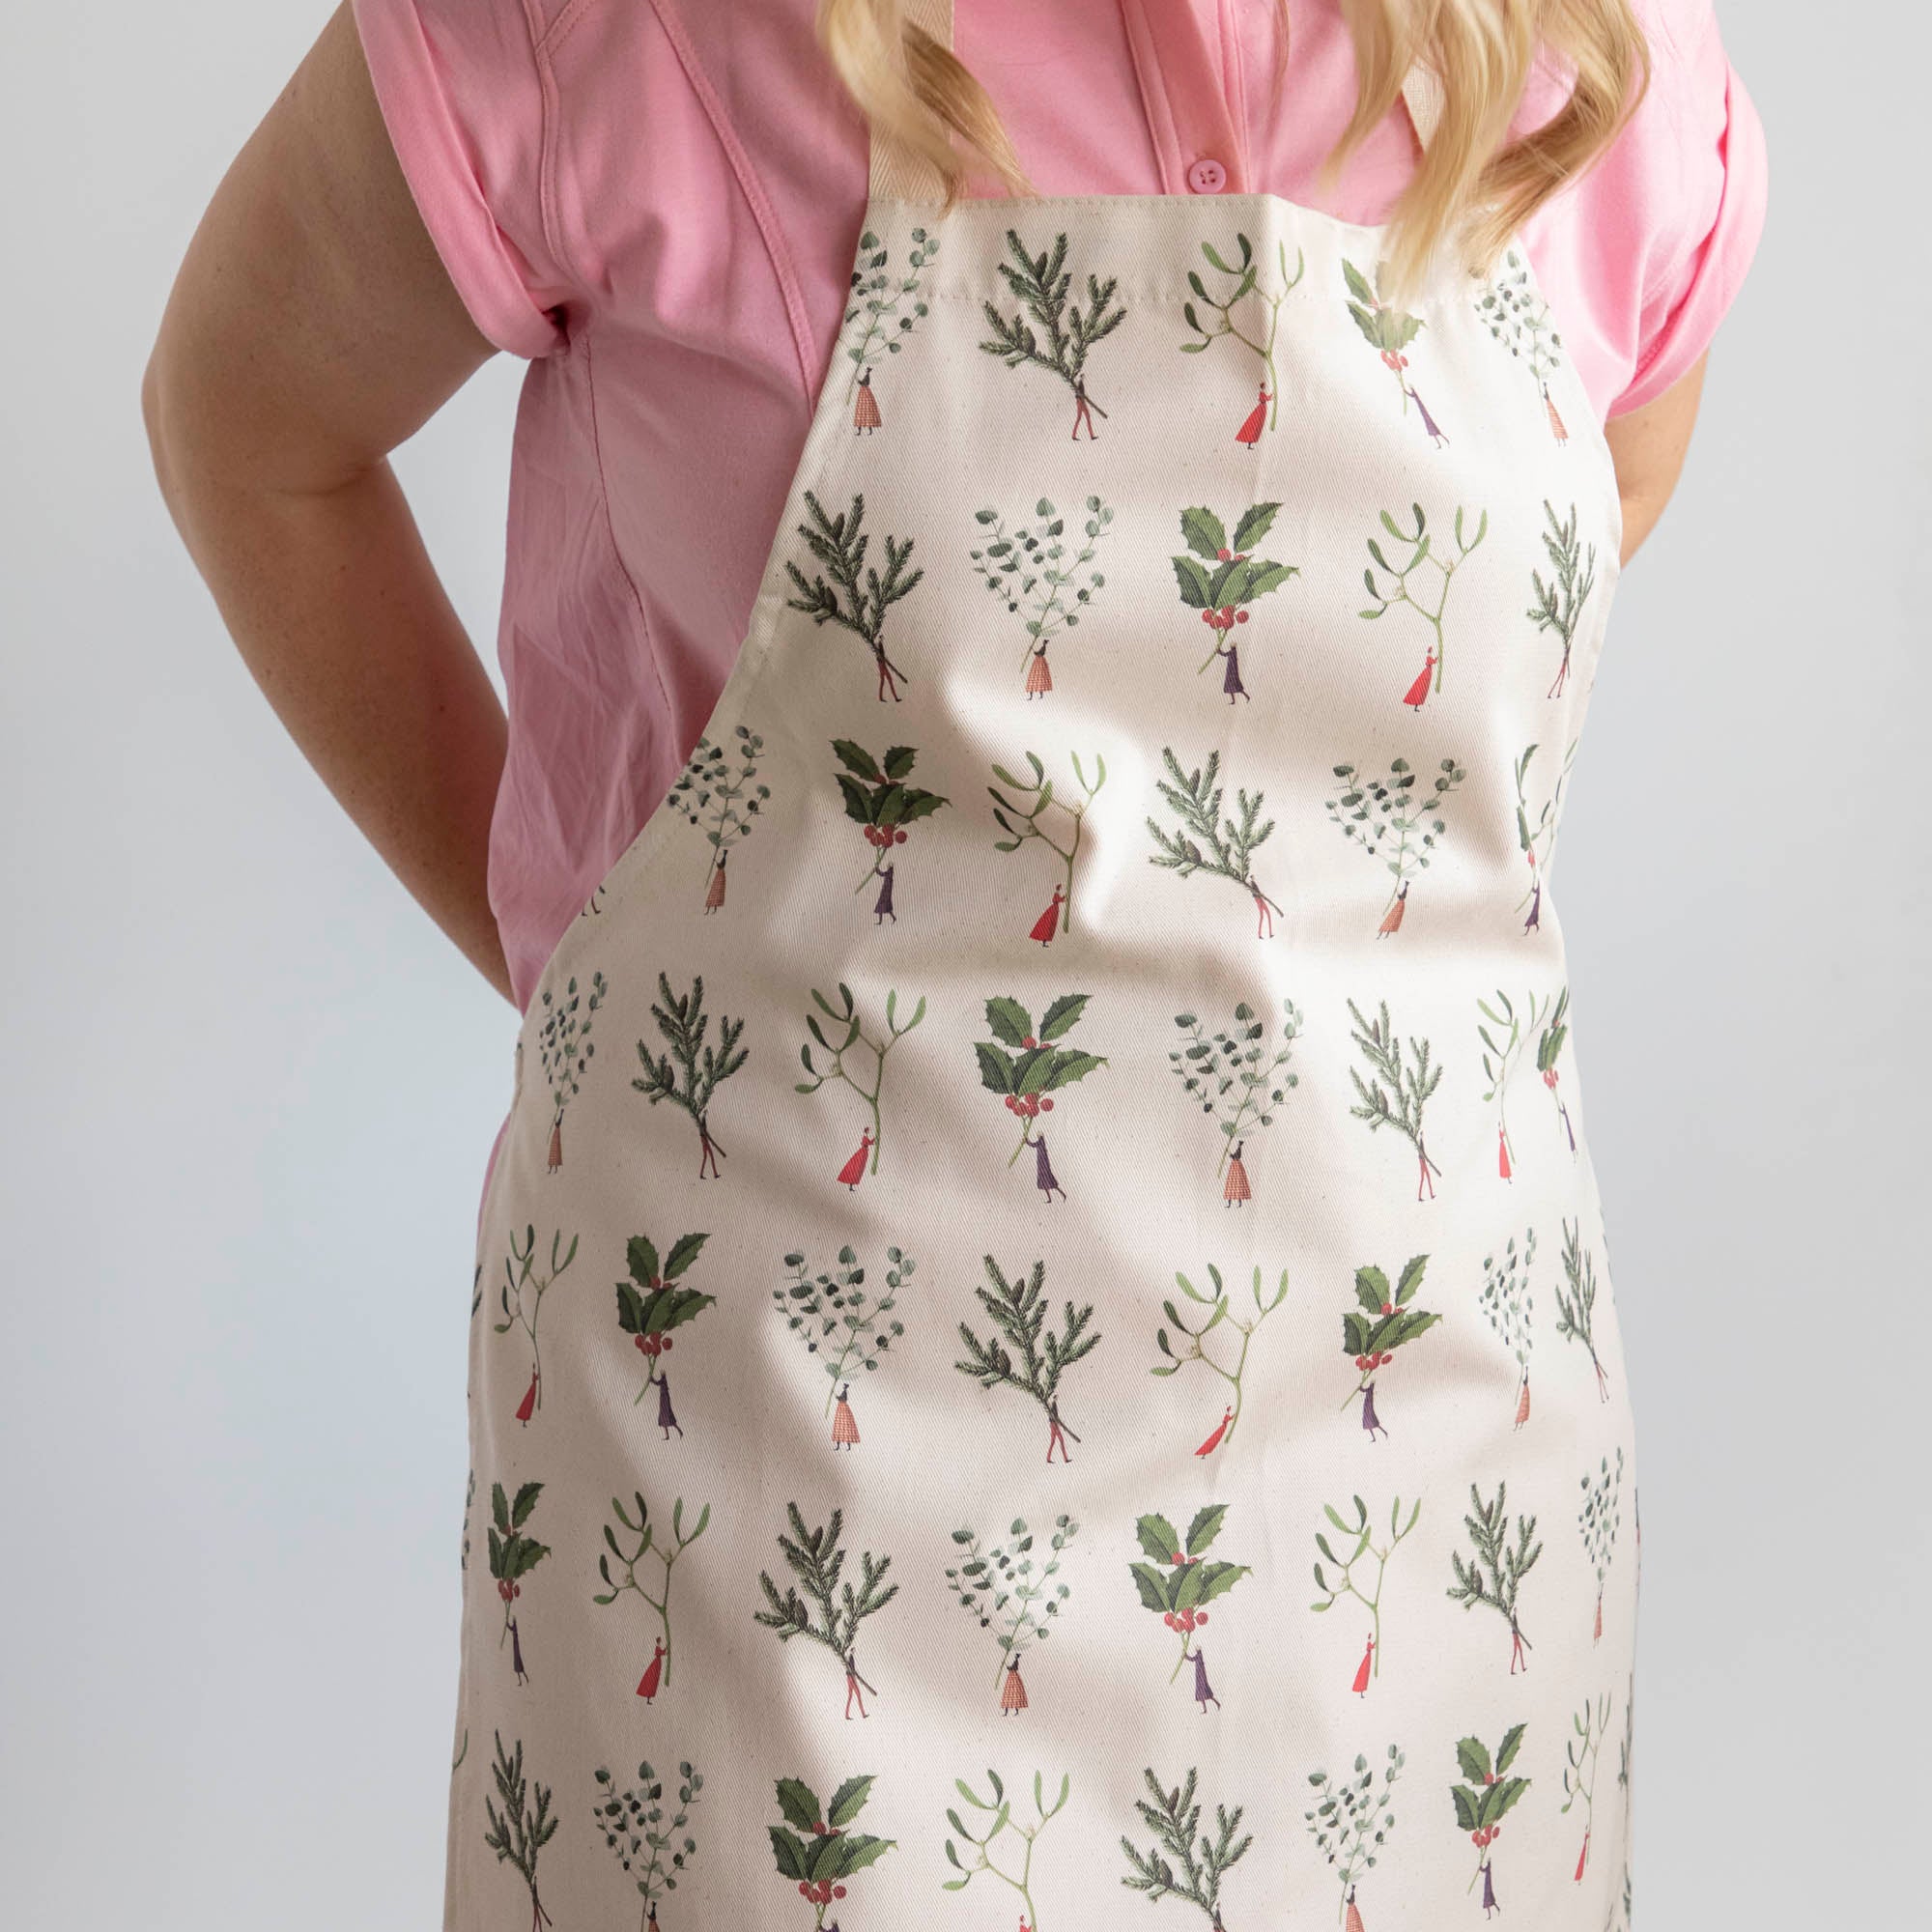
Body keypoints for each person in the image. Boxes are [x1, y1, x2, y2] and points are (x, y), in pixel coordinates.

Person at [143, 3, 1766, 1923]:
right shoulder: (629, 29)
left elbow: (1601, 504)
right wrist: (590, 965)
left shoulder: (1599, 53)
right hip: (787, 1523)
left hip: (1425, 1535)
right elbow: (252, 429)